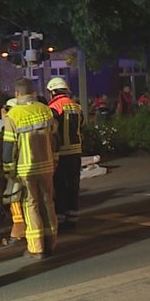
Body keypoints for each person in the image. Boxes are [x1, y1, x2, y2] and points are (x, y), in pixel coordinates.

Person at [3, 78, 58, 259]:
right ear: (33, 92)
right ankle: (51, 243)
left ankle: (36, 248)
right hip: (47, 166)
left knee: (31, 206)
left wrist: (8, 169)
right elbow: (54, 138)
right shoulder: (45, 110)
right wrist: (55, 158)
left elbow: (10, 146)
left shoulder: (13, 115)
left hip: (26, 170)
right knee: (48, 204)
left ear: (17, 94)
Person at [46, 77, 84, 230]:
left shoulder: (53, 107)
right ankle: (73, 218)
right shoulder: (76, 106)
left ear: (53, 91)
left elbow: (52, 132)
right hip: (76, 152)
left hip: (61, 153)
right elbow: (81, 127)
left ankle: (61, 220)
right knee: (73, 187)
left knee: (60, 187)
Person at [0, 98, 25, 247]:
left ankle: (18, 232)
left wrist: (7, 170)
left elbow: (6, 149)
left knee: (15, 201)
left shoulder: (8, 128)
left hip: (15, 171)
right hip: (25, 169)